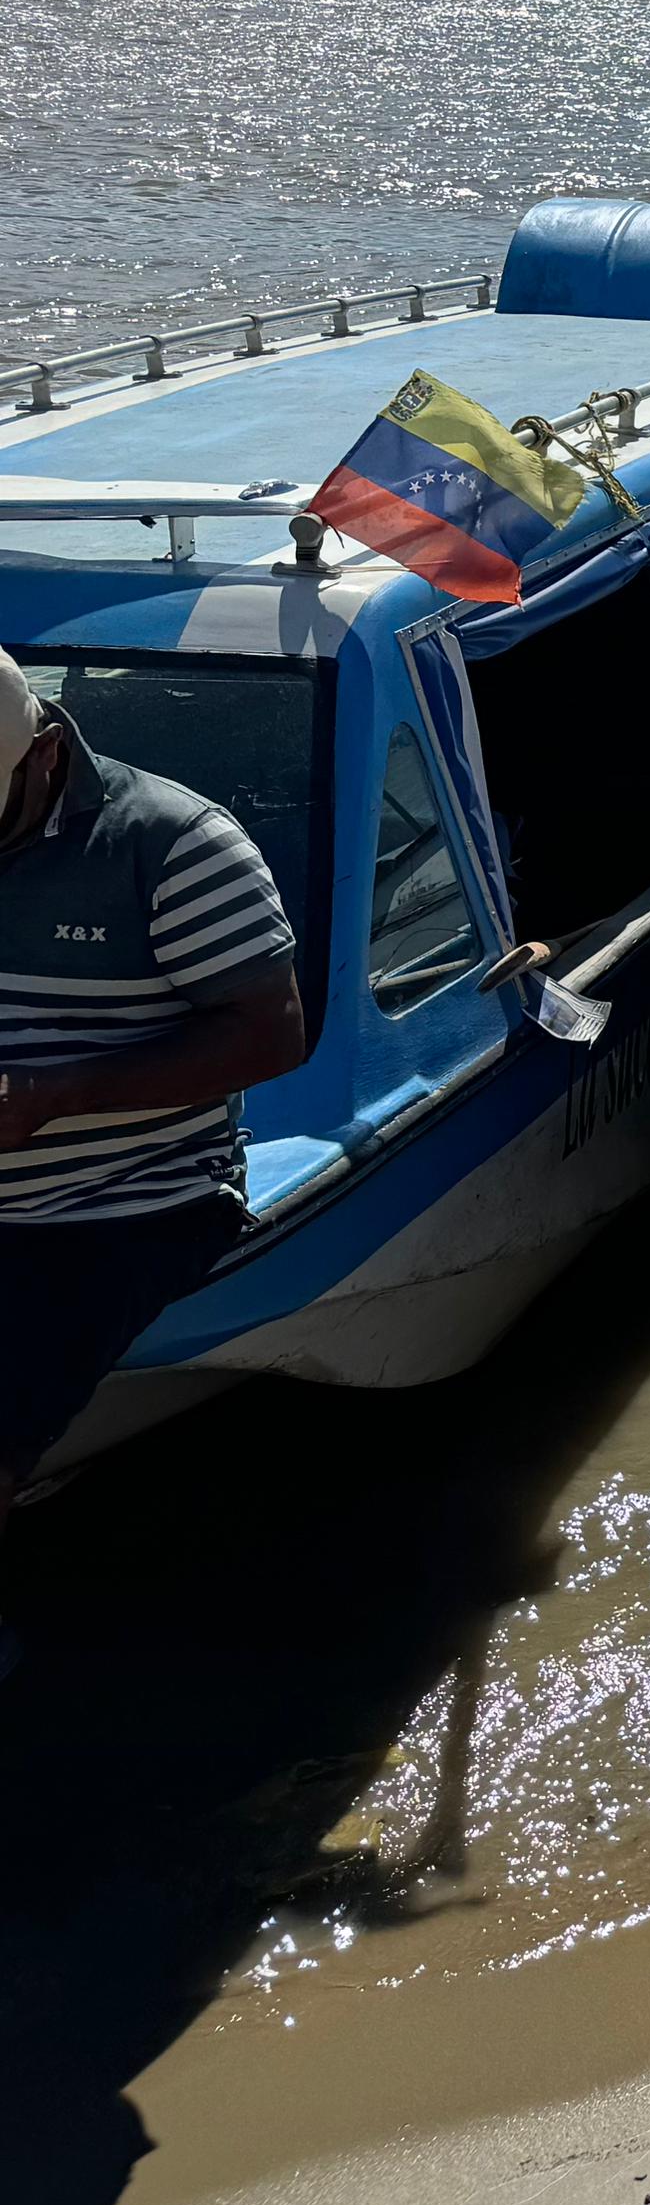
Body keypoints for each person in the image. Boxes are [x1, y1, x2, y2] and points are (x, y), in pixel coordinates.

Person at [0, 651, 306, 1684]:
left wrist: (55, 1098)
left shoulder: (175, 845)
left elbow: (269, 1036)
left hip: (118, 1201)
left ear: (44, 752)